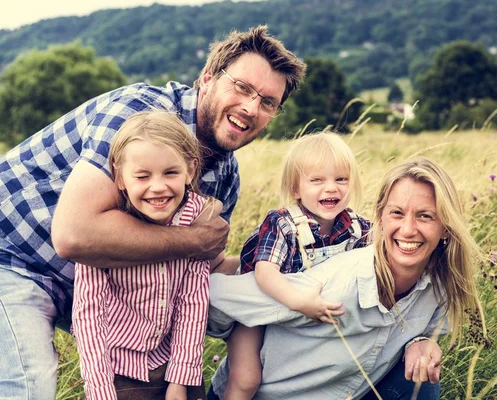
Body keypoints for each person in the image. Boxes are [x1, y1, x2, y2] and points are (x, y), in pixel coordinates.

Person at [0, 25, 305, 400]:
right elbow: (73, 235)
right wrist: (193, 241)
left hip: (95, 287)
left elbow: (193, 269)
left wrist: (280, 269)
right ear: (207, 79)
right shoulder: (140, 114)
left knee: (165, 379)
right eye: (242, 87)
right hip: (16, 258)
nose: (251, 108)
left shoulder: (225, 177)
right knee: (29, 387)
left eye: (268, 102)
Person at [207, 156, 483, 400]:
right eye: (397, 213)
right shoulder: (333, 285)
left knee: (421, 381)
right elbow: (215, 297)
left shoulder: (442, 285)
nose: (408, 229)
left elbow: (421, 329)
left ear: (446, 227)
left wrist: (419, 342)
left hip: (352, 391)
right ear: (381, 218)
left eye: (425, 216)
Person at [72, 111, 216, 400]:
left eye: (171, 172)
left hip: (171, 360)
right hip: (116, 369)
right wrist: (101, 392)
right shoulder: (104, 232)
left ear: (190, 169)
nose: (158, 186)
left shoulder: (195, 221)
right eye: (142, 176)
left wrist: (181, 377)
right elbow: (89, 317)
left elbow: (193, 303)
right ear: (120, 177)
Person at [224, 132, 371, 399]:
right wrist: (299, 301)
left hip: (307, 315)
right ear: (295, 189)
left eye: (341, 179)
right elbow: (265, 273)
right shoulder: (283, 223)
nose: (331, 188)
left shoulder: (358, 227)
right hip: (259, 308)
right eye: (317, 180)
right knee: (246, 378)